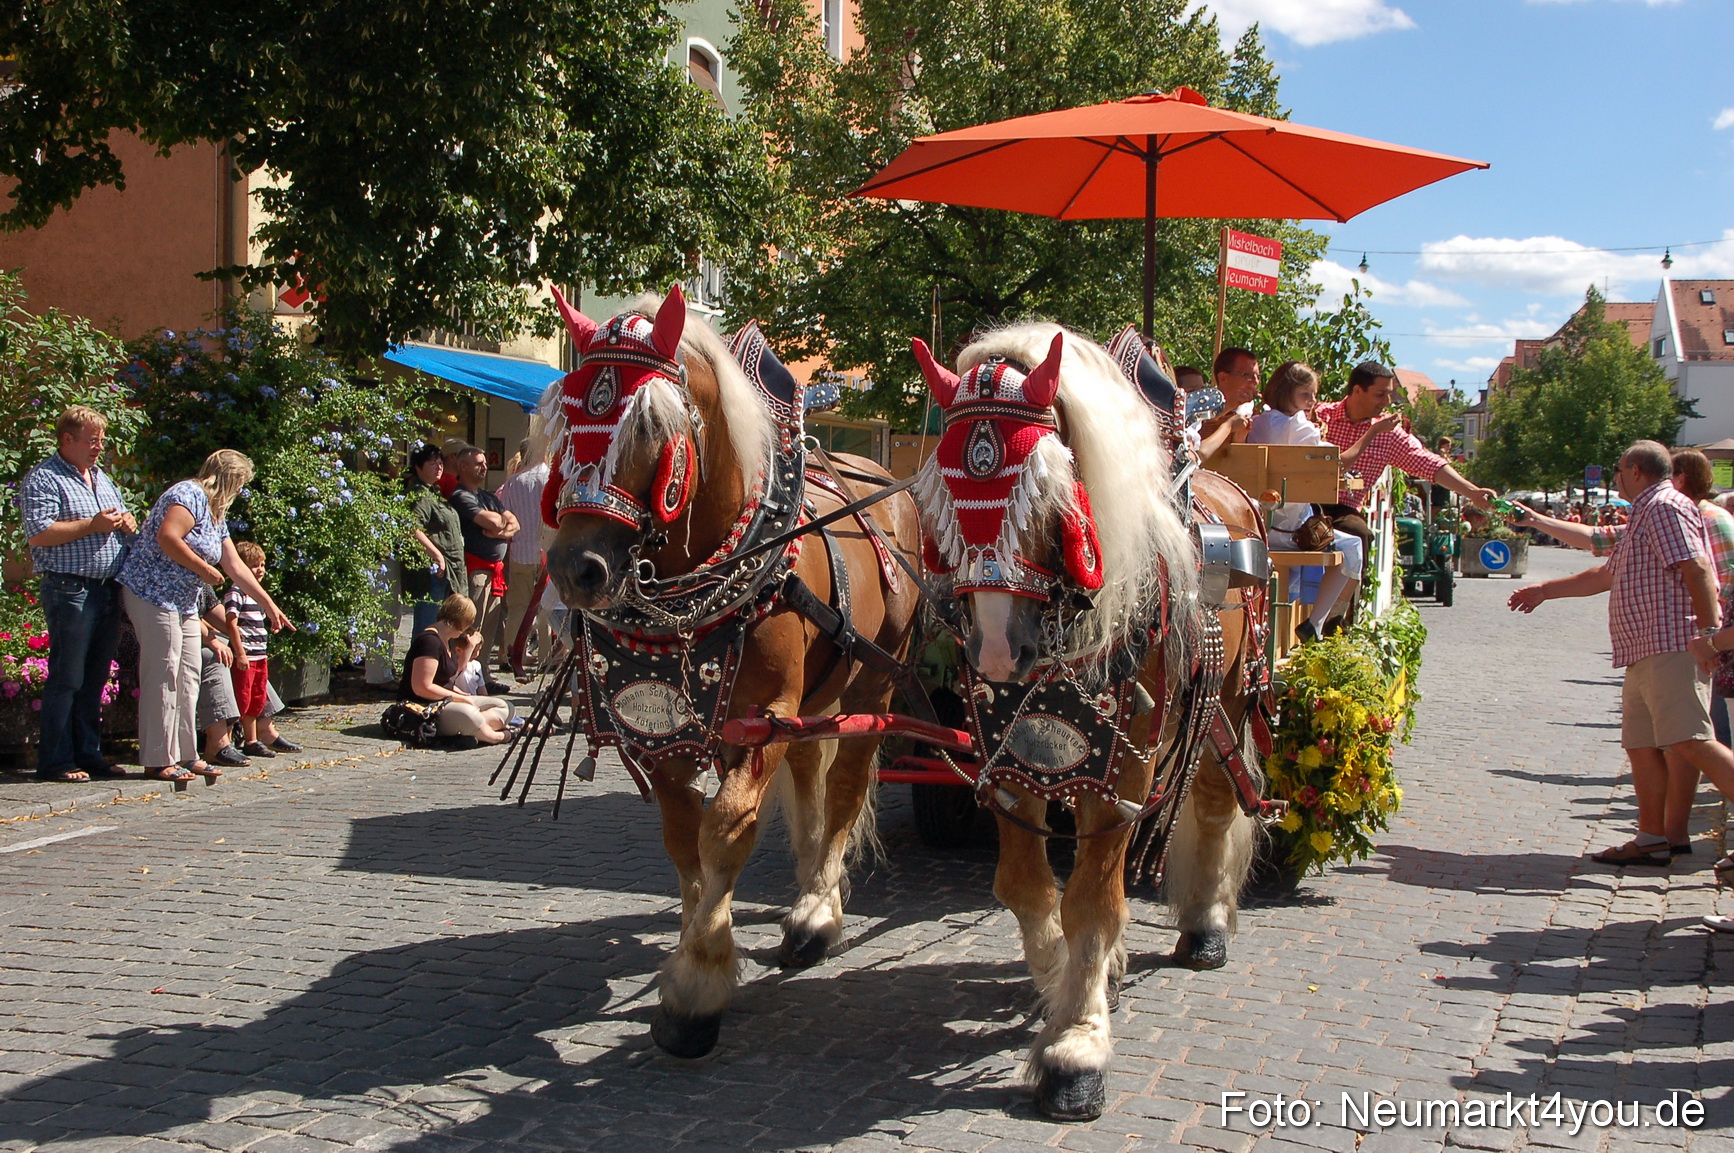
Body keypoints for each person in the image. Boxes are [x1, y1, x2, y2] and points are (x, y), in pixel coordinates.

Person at [1509, 441, 1734, 872]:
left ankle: (1662, 837)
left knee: (1691, 741)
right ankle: (1651, 839)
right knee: (1642, 745)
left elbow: (1697, 567)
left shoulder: (1665, 505)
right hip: (1644, 648)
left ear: (1633, 470)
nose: (1614, 478)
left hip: (1670, 644)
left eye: (1617, 470)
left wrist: (1708, 633)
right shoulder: (1646, 512)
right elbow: (1605, 572)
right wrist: (1544, 591)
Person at [1512, 450, 1734, 746]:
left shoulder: (1681, 512)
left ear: (1678, 479)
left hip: (1691, 641)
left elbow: (1709, 573)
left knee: (1697, 741)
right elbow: (1599, 544)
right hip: (1663, 644)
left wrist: (1711, 636)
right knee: (1669, 744)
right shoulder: (1654, 512)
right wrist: (1536, 521)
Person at [118, 450, 290, 783]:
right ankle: (157, 758)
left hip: (182, 601)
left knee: (188, 675)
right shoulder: (187, 495)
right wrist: (204, 570)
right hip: (151, 594)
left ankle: (186, 754)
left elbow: (235, 566)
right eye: (239, 484)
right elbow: (168, 536)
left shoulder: (216, 512)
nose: (240, 491)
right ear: (226, 478)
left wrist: (268, 604)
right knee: (163, 674)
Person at [19, 406, 138, 782]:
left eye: (101, 441)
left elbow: (114, 520)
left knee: (95, 677)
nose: (98, 448)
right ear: (66, 439)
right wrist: (93, 524)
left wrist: (127, 522)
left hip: (105, 589)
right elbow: (39, 534)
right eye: (91, 440)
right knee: (67, 676)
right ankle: (56, 760)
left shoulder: (101, 477)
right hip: (69, 587)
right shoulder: (45, 478)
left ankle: (89, 754)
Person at [1246, 363, 1392, 639]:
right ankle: (1317, 622)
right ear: (1288, 391)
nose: (1312, 402)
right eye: (1306, 395)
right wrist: (1373, 431)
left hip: (1256, 524)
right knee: (1353, 545)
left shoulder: (1260, 420)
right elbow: (1339, 464)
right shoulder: (1299, 426)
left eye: (1314, 395)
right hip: (1288, 533)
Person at [1314, 361, 1496, 561]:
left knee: (1359, 534)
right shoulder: (1320, 416)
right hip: (1305, 500)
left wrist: (1472, 491)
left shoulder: (1388, 433)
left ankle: (1350, 591)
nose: (1387, 401)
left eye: (1389, 394)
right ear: (1358, 390)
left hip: (1342, 508)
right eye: (1380, 394)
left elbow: (1429, 463)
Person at [447, 443, 519, 691]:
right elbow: (490, 519)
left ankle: (483, 674)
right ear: (462, 466)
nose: (484, 467)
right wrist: (500, 524)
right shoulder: (460, 496)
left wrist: (499, 530)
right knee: (472, 624)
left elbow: (514, 523)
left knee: (490, 624)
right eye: (478, 463)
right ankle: (463, 675)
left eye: (485, 463)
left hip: (495, 572)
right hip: (476, 571)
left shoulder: (487, 496)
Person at [399, 594, 515, 745]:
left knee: (505, 707)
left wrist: (460, 694)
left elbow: (443, 680)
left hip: (446, 701)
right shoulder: (429, 642)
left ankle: (475, 730)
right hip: (426, 707)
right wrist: (460, 698)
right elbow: (422, 687)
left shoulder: (446, 641)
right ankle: (496, 736)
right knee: (470, 715)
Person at [495, 440, 550, 675]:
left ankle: (510, 653)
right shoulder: (550, 479)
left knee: (518, 606)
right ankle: (546, 656)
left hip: (520, 550)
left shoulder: (512, 483)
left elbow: (503, 517)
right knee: (546, 607)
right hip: (546, 551)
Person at [224, 541, 280, 759]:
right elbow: (231, 623)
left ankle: (252, 739)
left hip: (260, 654)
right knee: (242, 697)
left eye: (263, 565)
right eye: (255, 565)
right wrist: (240, 653)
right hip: (246, 655)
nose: (261, 570)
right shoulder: (236, 593)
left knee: (257, 698)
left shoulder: (257, 596)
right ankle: (229, 739)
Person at [404, 442, 465, 635]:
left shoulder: (435, 493)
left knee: (442, 628)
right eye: (432, 463)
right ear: (418, 467)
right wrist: (436, 555)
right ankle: (419, 664)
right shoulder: (419, 494)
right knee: (427, 627)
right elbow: (411, 527)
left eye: (440, 461)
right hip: (432, 573)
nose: (438, 466)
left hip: (449, 572)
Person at [195, 587, 249, 769]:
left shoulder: (202, 581)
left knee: (246, 648)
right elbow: (184, 614)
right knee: (214, 655)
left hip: (196, 631)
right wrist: (212, 640)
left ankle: (261, 730)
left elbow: (214, 611)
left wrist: (240, 637)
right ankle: (217, 743)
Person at [1197, 347, 1261, 461]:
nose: (1255, 382)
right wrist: (1232, 404)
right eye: (1247, 375)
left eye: (1257, 376)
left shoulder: (1255, 411)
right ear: (1223, 378)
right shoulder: (1202, 404)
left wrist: (1239, 438)